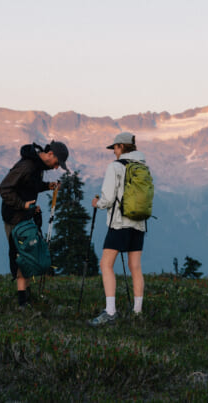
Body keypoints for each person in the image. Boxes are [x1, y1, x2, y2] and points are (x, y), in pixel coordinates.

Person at [0, 141, 68, 307]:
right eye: (57, 163)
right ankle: (23, 302)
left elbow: (29, 185)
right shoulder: (27, 166)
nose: (56, 167)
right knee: (23, 256)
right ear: (50, 154)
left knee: (29, 254)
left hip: (24, 216)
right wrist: (23, 205)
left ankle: (26, 297)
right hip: (15, 218)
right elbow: (4, 188)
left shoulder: (37, 166)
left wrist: (47, 186)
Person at [89, 132, 147, 326]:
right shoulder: (143, 167)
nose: (113, 151)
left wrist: (97, 203)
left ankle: (111, 311)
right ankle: (137, 312)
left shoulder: (115, 167)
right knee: (135, 267)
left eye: (114, 147)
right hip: (139, 223)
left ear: (121, 146)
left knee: (105, 264)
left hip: (120, 223)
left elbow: (107, 199)